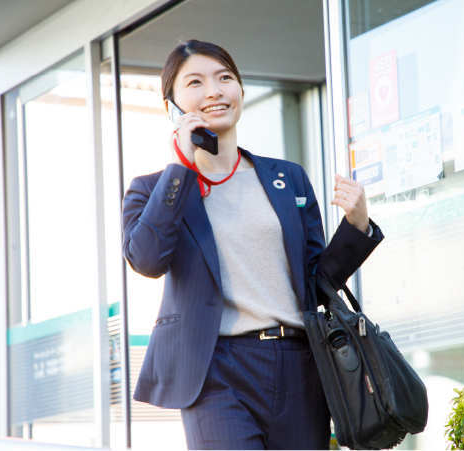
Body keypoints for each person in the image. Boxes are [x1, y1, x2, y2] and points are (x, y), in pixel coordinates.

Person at [122, 39, 384, 450]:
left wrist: (357, 227)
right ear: (171, 106)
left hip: (299, 363)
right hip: (214, 370)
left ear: (241, 92)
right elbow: (147, 259)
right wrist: (180, 165)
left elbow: (315, 281)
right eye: (195, 82)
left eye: (225, 78)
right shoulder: (155, 189)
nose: (214, 90)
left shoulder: (287, 178)